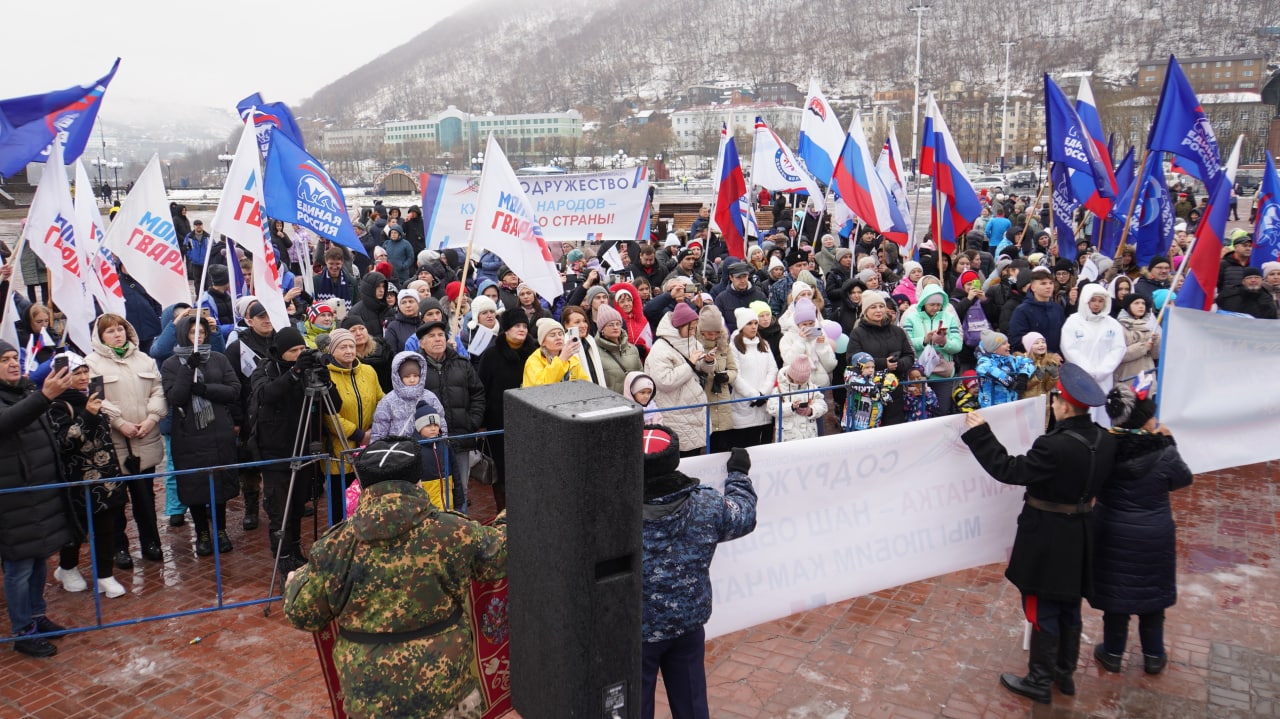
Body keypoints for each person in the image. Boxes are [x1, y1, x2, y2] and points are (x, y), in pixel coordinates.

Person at [283, 436, 507, 719]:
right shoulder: (454, 532)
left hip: (370, 700)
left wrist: (296, 581)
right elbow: (501, 554)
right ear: (417, 482)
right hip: (446, 693)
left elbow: (303, 614)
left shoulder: (333, 547)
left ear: (363, 486)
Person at [961, 363, 1117, 705]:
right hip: (1082, 533)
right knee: (1070, 607)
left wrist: (980, 433)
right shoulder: (1104, 440)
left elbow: (1009, 469)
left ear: (1063, 404)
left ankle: (1039, 680)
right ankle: (1065, 674)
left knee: (1042, 607)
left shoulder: (1054, 446)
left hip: (1048, 536)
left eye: (1055, 400)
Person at [640, 427, 756, 719]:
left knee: (634, 707)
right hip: (688, 622)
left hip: (636, 629)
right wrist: (739, 473)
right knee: (691, 703)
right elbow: (743, 515)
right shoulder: (707, 503)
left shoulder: (613, 510)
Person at [1090, 380, 1192, 676]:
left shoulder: (1104, 449)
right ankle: (1154, 655)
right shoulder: (1163, 451)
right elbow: (1183, 479)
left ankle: (1111, 653)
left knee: (1116, 599)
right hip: (1154, 533)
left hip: (1112, 532)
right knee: (1152, 599)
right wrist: (1169, 442)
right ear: (1144, 420)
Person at [0, 340, 74, 657]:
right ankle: (22, 631)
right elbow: (7, 422)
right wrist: (45, 396)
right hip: (12, 498)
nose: (13, 363)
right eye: (4, 360)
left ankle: (36, 615)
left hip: (40, 490)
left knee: (41, 558)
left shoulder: (28, 389)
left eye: (15, 357)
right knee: (18, 569)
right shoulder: (32, 394)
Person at [248, 327, 334, 573]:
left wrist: (326, 381)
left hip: (305, 448)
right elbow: (266, 394)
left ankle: (295, 551)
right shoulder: (266, 369)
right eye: (293, 351)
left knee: (297, 506)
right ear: (281, 352)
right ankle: (283, 558)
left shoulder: (308, 370)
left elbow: (333, 406)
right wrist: (295, 372)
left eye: (301, 350)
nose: (299, 354)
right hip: (276, 452)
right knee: (280, 509)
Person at [84, 314, 166, 568]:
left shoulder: (144, 359)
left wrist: (151, 419)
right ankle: (119, 548)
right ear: (100, 336)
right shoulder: (92, 363)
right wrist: (120, 423)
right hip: (114, 444)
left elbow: (158, 391)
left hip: (144, 438)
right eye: (110, 331)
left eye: (120, 329)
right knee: (116, 502)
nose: (117, 334)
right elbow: (97, 398)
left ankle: (151, 542)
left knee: (145, 497)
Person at [49, 353, 129, 599]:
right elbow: (63, 442)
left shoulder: (92, 398)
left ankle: (105, 575)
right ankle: (67, 567)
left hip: (105, 479)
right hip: (77, 482)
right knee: (76, 529)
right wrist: (88, 416)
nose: (83, 378)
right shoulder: (56, 406)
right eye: (77, 373)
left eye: (85, 372)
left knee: (107, 525)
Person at [418, 320, 485, 515]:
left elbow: (478, 394)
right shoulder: (416, 369)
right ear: (421, 343)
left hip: (460, 437)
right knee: (432, 491)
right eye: (431, 336)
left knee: (460, 489)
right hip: (429, 443)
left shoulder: (462, 365)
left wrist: (472, 422)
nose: (438, 339)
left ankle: (461, 531)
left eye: (440, 335)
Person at [323, 328, 385, 524]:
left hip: (368, 447)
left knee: (366, 500)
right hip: (339, 450)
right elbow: (330, 415)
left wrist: (376, 428)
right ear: (332, 350)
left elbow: (380, 400)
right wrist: (359, 434)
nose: (349, 350)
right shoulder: (326, 376)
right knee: (340, 504)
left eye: (351, 346)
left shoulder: (368, 371)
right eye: (342, 347)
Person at [477, 312, 537, 513]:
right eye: (516, 326)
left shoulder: (534, 351)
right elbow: (481, 388)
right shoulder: (492, 354)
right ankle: (504, 513)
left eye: (524, 326)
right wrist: (482, 420)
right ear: (506, 329)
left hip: (530, 420)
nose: (521, 329)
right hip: (499, 422)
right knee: (503, 471)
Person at [225, 300, 275, 531]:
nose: (266, 320)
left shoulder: (281, 341)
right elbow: (232, 385)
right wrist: (237, 419)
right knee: (250, 465)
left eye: (269, 315)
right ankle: (251, 508)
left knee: (277, 463)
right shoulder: (238, 348)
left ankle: (277, 504)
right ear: (249, 321)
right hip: (249, 416)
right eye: (260, 316)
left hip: (277, 415)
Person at [644, 303, 712, 455]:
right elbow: (664, 381)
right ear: (680, 326)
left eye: (695, 327)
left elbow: (701, 369)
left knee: (696, 456)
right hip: (675, 412)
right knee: (682, 457)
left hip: (695, 410)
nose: (694, 331)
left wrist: (708, 361)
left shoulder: (693, 341)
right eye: (691, 327)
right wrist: (690, 363)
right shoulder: (660, 349)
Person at [845, 291, 914, 425]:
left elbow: (910, 356)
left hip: (894, 391)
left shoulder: (897, 332)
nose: (878, 310)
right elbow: (852, 359)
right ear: (865, 311)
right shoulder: (858, 333)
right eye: (873, 307)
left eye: (881, 306)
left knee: (893, 429)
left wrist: (898, 364)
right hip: (867, 393)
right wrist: (883, 363)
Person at [1060, 285, 1126, 424]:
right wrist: (1087, 370)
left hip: (1104, 377)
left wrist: (1103, 370)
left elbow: (1118, 348)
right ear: (1085, 300)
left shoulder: (1112, 324)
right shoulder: (1073, 322)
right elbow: (1069, 348)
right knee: (1081, 413)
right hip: (1080, 377)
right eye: (1093, 300)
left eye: (1100, 301)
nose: (1096, 304)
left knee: (1103, 414)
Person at [370, 351, 448, 442]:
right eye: (407, 376)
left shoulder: (430, 397)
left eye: (415, 376)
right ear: (398, 377)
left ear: (421, 375)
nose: (412, 380)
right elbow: (379, 430)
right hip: (398, 451)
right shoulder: (388, 401)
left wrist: (443, 442)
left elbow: (441, 422)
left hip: (426, 448)